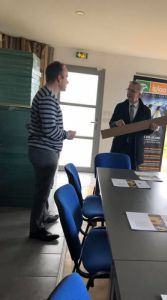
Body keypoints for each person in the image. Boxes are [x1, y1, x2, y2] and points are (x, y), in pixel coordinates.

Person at [28, 61, 76, 242]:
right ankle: (36, 229)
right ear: (59, 78)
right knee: (41, 191)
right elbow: (50, 130)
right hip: (43, 152)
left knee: (45, 186)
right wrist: (67, 134)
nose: (68, 82)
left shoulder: (47, 95)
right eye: (67, 77)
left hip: (43, 151)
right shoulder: (47, 98)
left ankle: (44, 216)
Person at [109, 81, 157, 170]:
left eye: (133, 91)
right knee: (115, 175)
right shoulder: (119, 107)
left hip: (136, 149)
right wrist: (116, 123)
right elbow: (111, 124)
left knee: (132, 179)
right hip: (119, 147)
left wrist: (152, 129)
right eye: (128, 90)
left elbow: (146, 131)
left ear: (139, 95)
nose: (129, 93)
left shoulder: (146, 110)